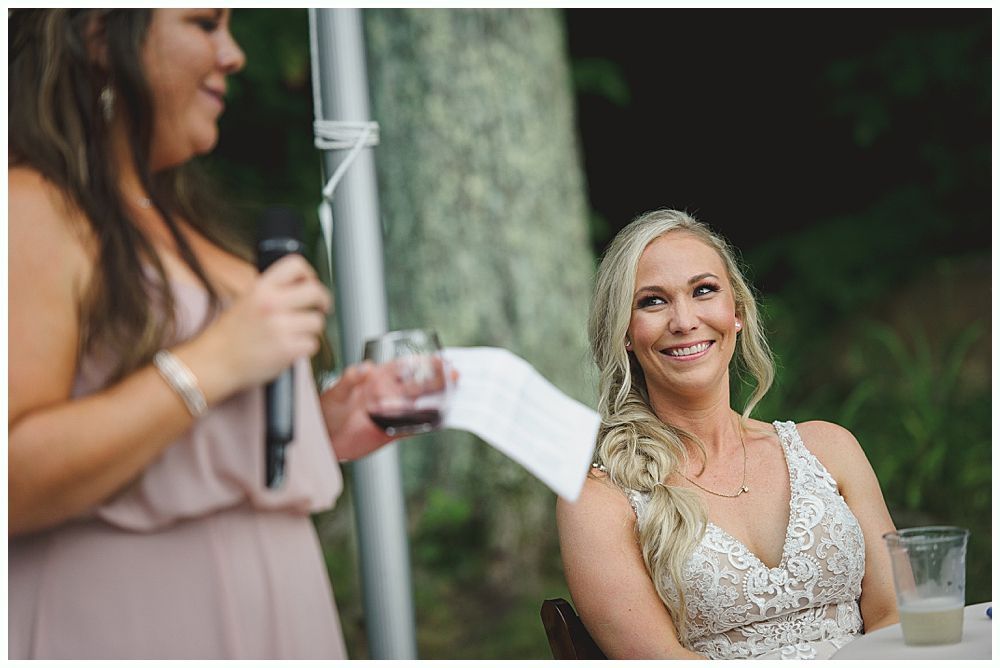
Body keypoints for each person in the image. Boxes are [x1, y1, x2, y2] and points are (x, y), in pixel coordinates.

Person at [8, 9, 400, 659]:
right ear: (102, 35)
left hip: (283, 614)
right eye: (204, 24)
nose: (234, 53)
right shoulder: (30, 206)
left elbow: (175, 458)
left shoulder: (184, 220)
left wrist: (318, 430)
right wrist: (214, 361)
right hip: (130, 620)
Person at [557, 209, 900, 659]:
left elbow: (896, 614)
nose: (684, 321)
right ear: (625, 332)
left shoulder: (831, 448)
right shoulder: (598, 502)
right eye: (652, 301)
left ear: (736, 312)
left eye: (703, 291)